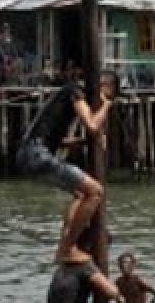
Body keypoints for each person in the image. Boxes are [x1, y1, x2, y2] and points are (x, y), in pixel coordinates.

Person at [15, 72, 115, 261]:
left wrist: (83, 142)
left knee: (80, 194)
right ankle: (67, 248)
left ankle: (66, 242)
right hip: (38, 155)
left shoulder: (64, 94)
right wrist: (106, 105)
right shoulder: (75, 90)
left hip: (28, 154)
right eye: (109, 93)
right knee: (95, 192)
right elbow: (92, 126)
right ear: (104, 87)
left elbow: (52, 138)